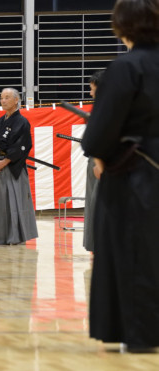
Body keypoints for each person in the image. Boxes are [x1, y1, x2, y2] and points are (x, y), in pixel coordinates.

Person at [81, 0, 159, 353]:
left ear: (122, 23)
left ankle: (142, 334)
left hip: (134, 179)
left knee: (134, 254)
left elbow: (98, 136)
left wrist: (100, 155)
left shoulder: (126, 68)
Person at [0, 88, 38, 245]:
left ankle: (15, 237)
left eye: (7, 97)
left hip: (11, 166)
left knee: (14, 204)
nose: (3, 101)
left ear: (16, 100)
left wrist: (4, 161)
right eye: (1, 98)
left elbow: (22, 146)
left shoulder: (22, 122)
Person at [83, 71, 103, 252]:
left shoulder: (112, 108)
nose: (90, 93)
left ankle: (102, 244)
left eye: (92, 89)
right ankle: (95, 244)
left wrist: (100, 163)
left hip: (103, 162)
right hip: (94, 160)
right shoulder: (99, 108)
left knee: (99, 203)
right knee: (92, 202)